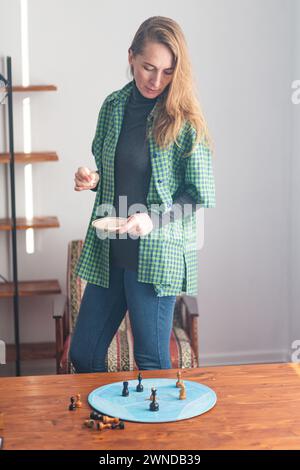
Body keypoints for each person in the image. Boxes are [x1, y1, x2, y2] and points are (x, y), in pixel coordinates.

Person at [70, 16, 216, 373]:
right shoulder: (112, 106)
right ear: (131, 56)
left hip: (156, 257)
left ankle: (153, 430)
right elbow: (117, 168)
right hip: (111, 250)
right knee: (84, 354)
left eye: (167, 72)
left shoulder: (184, 119)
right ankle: (108, 423)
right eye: (149, 67)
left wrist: (153, 219)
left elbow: (199, 193)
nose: (156, 80)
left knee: (152, 363)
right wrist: (93, 177)